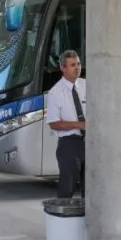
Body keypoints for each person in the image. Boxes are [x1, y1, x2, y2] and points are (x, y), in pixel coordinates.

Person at [45, 50, 86, 198]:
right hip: (69, 144)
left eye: (79, 64)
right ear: (63, 68)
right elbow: (54, 123)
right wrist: (79, 125)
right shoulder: (55, 93)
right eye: (73, 65)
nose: (77, 68)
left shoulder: (86, 85)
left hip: (89, 142)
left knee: (91, 188)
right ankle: (62, 218)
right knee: (67, 186)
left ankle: (88, 219)